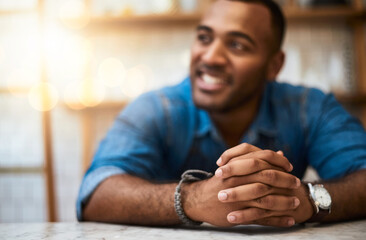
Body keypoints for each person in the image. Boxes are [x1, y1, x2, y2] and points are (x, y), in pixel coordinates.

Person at [76, 0, 366, 227]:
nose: (211, 57)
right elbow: (94, 194)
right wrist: (192, 198)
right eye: (204, 38)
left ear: (274, 65)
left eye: (237, 45)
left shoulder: (309, 107)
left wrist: (306, 199)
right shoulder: (156, 109)